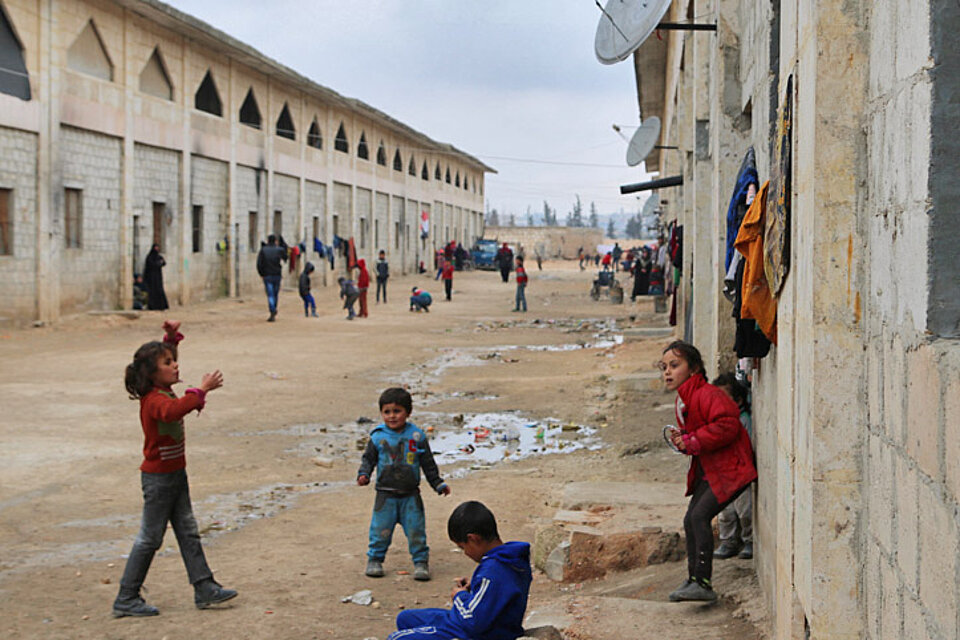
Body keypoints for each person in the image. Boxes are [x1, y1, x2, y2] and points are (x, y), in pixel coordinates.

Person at [112, 320, 237, 617]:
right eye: (168, 363)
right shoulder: (155, 400)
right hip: (158, 480)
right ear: (153, 374)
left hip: (174, 475)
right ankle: (126, 597)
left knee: (187, 530)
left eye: (174, 360)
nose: (176, 366)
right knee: (150, 538)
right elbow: (174, 411)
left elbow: (169, 380)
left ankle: (204, 587)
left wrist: (170, 338)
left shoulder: (162, 389)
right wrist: (201, 390)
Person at [659, 341, 757, 602]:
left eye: (674, 366)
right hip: (712, 469)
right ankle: (694, 580)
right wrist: (686, 439)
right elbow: (702, 433)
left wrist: (693, 440)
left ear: (694, 369)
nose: (667, 372)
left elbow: (727, 425)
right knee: (691, 518)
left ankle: (702, 582)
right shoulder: (686, 400)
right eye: (664, 367)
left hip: (731, 469)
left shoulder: (707, 394)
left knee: (700, 517)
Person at [387, 501, 531, 640]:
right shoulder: (510, 559)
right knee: (405, 618)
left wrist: (459, 596)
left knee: (397, 638)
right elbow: (493, 595)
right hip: (489, 625)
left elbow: (474, 621)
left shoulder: (493, 571)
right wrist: (475, 585)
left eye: (463, 547)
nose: (465, 553)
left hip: (477, 633)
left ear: (473, 539)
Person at [357, 388, 450, 581]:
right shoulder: (377, 437)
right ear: (381, 413)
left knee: (416, 531)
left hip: (410, 495)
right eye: (387, 412)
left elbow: (428, 464)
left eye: (397, 411)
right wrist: (364, 474)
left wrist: (438, 484)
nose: (392, 416)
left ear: (408, 412)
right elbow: (368, 459)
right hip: (385, 495)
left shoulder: (417, 436)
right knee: (380, 531)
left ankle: (421, 563)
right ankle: (375, 560)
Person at [711, 373, 754, 560]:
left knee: (745, 510)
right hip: (723, 473)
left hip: (740, 473)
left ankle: (749, 540)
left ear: (737, 400)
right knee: (725, 512)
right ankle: (729, 541)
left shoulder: (743, 420)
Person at [256, 234, 286, 322]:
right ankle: (274, 308)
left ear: (268, 241)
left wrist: (261, 273)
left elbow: (259, 264)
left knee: (270, 294)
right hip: (277, 274)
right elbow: (285, 257)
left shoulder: (263, 250)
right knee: (275, 294)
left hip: (267, 275)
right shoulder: (279, 250)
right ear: (275, 241)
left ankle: (272, 309)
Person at [143, 244, 169, 311]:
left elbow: (163, 263)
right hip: (151, 278)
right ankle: (152, 306)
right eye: (156, 248)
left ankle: (161, 306)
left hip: (158, 277)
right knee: (152, 292)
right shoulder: (150, 257)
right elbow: (151, 265)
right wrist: (158, 263)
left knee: (159, 290)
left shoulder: (159, 256)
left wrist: (160, 263)